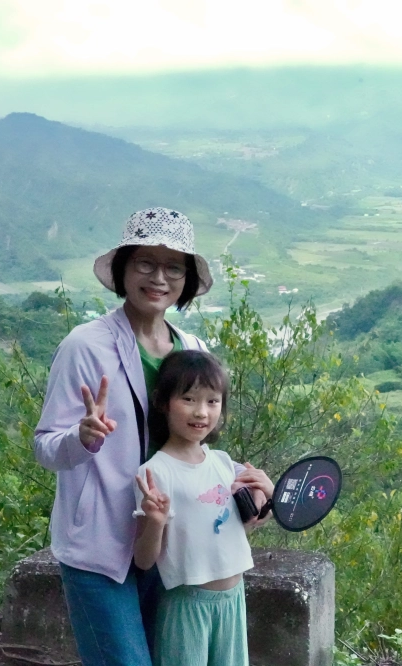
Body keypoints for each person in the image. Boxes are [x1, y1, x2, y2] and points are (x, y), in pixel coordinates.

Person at [34, 207, 266, 666]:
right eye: (145, 263)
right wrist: (82, 438)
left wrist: (244, 480)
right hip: (101, 550)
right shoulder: (85, 346)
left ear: (187, 280)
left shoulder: (194, 351)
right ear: (123, 269)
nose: (159, 277)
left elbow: (195, 450)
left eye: (173, 267)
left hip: (171, 548)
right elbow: (45, 447)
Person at [133, 350, 275, 666]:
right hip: (186, 604)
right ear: (162, 402)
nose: (201, 412)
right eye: (189, 399)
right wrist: (155, 521)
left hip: (233, 598)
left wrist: (269, 494)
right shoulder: (154, 473)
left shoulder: (224, 464)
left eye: (212, 401)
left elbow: (244, 524)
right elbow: (143, 561)